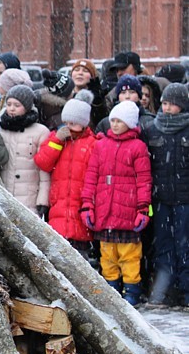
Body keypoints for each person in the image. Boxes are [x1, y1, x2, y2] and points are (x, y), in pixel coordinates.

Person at [81, 101, 152, 306]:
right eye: (112, 120)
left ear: (129, 123)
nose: (115, 124)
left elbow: (144, 180)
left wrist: (142, 209)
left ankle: (131, 291)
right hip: (105, 212)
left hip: (128, 212)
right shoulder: (101, 145)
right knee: (107, 255)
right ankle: (111, 288)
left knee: (130, 256)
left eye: (119, 121)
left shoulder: (137, 147)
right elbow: (91, 177)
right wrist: (88, 205)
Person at [34, 91, 99, 266]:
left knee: (80, 258)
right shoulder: (57, 139)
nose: (68, 127)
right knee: (58, 255)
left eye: (73, 123)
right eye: (66, 122)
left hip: (80, 205)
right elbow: (43, 161)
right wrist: (57, 140)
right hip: (59, 206)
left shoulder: (92, 144)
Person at [143, 84, 189, 307]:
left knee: (185, 246)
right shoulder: (152, 129)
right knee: (163, 246)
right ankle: (163, 292)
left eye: (173, 104)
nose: (168, 108)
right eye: (165, 103)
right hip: (160, 199)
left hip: (185, 200)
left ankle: (186, 292)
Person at [0, 85, 51, 214]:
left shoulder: (40, 131)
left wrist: (43, 199)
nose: (12, 108)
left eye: (17, 105)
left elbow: (43, 170)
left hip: (28, 198)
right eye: (8, 104)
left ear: (26, 107)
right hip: (3, 195)